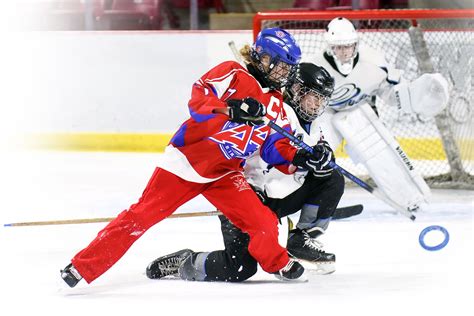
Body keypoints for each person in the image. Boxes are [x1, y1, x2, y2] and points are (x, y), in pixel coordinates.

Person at [59, 27, 339, 287]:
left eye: (288, 69)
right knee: (141, 216)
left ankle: (277, 263)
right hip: (185, 163)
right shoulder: (233, 73)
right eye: (280, 66)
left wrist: (302, 158)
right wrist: (232, 108)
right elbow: (199, 99)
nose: (283, 74)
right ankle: (82, 267)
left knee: (263, 221)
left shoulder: (276, 102)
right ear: (263, 58)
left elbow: (274, 147)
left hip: (225, 172)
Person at [145, 62, 343, 283]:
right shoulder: (274, 110)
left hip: (277, 196)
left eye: (322, 99)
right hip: (247, 191)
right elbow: (269, 151)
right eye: (314, 97)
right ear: (297, 91)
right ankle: (186, 261)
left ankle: (302, 238)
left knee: (331, 177)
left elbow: (308, 157)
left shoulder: (316, 125)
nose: (317, 105)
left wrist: (321, 158)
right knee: (239, 268)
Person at [305, 17, 450, 216]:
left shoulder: (374, 61)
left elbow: (392, 93)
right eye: (339, 47)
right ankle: (310, 201)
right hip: (326, 113)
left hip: (358, 112)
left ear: (356, 44)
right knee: (314, 151)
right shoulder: (314, 65)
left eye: (349, 46)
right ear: (330, 47)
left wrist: (413, 96)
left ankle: (409, 199)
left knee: (379, 154)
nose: (345, 52)